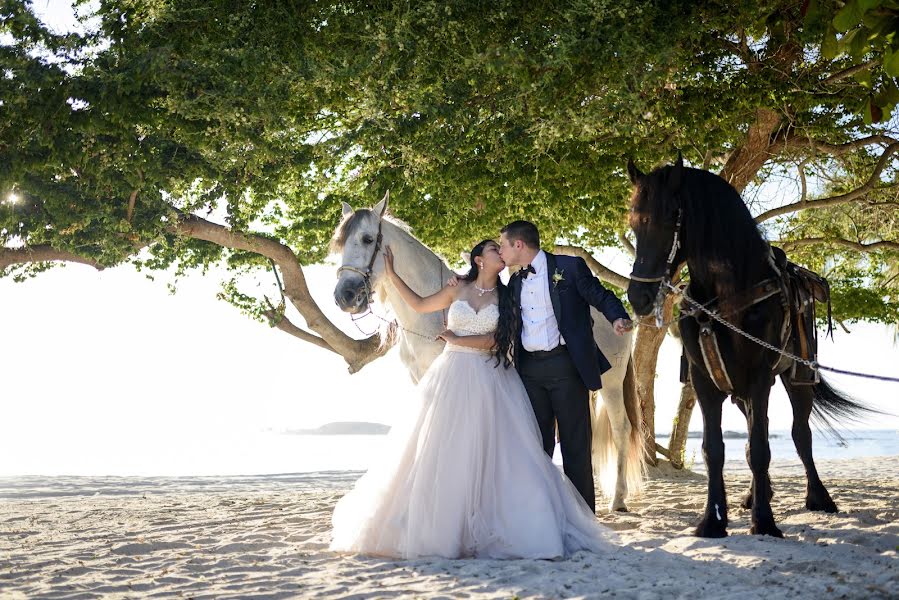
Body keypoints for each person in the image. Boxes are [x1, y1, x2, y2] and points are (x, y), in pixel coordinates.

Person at [330, 240, 616, 559]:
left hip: (492, 380)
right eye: (495, 249)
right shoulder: (458, 288)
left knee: (499, 455)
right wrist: (393, 275)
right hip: (451, 375)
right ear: (479, 259)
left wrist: (457, 338)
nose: (501, 254)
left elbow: (498, 341)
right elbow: (421, 304)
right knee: (446, 452)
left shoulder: (508, 296)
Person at [498, 221, 632, 512]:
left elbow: (600, 295)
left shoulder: (569, 268)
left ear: (518, 245)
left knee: (575, 446)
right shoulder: (515, 282)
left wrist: (617, 317)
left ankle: (583, 517)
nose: (501, 251)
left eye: (503, 245)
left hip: (566, 367)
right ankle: (540, 515)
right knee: (536, 447)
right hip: (529, 372)